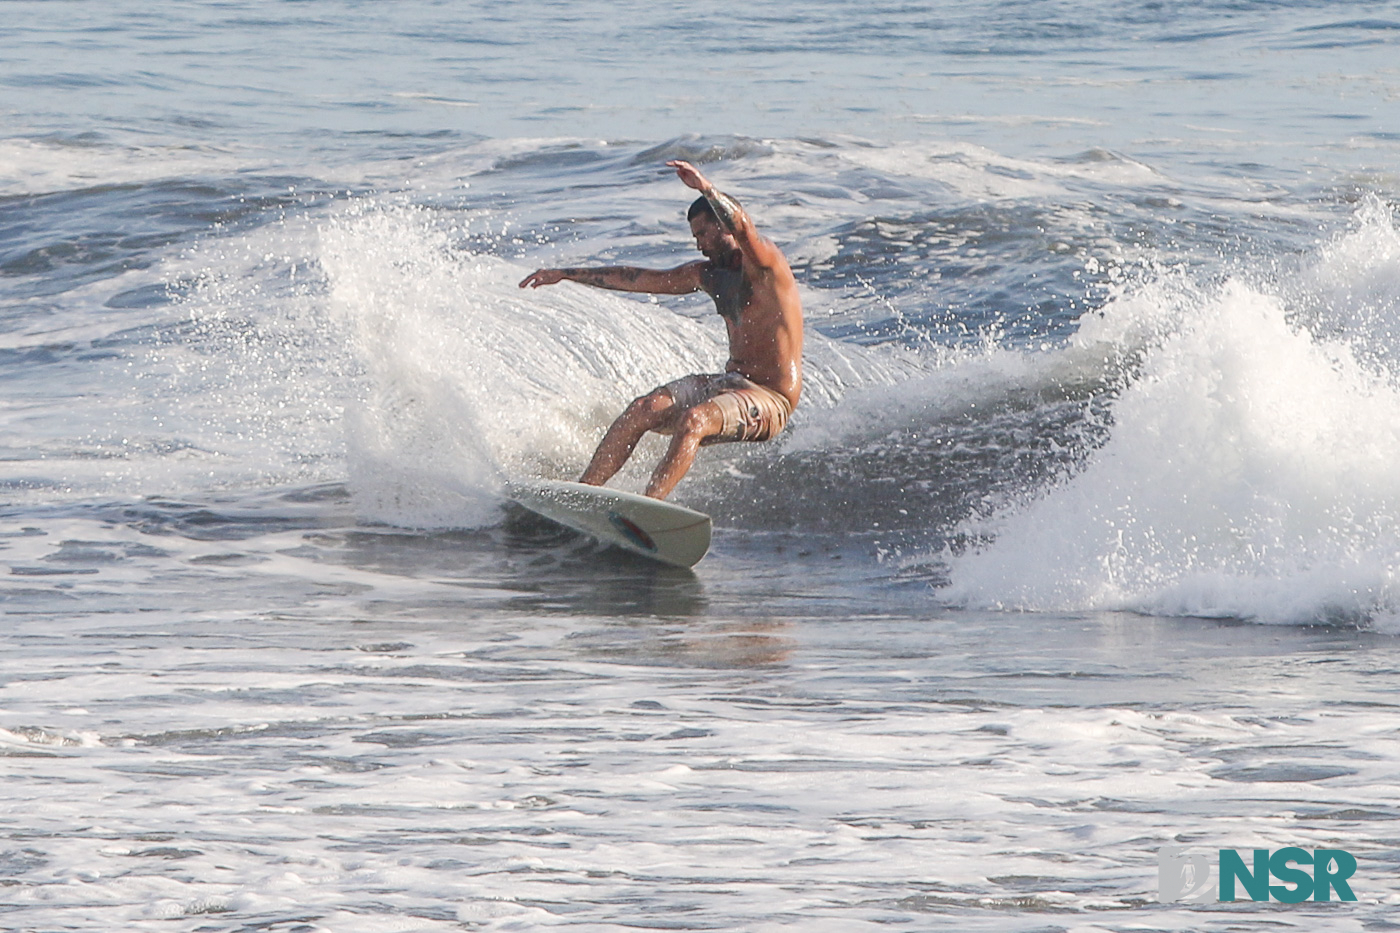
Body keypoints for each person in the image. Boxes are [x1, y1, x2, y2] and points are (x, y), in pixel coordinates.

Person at [519, 159, 803, 500]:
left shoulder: (765, 264)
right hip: (731, 383)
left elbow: (743, 226)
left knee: (694, 420)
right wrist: (565, 273)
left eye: (703, 233)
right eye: (694, 236)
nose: (698, 244)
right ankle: (581, 494)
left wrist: (706, 189)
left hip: (770, 398)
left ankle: (648, 508)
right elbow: (638, 278)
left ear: (722, 226)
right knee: (643, 409)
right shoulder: (706, 275)